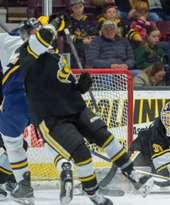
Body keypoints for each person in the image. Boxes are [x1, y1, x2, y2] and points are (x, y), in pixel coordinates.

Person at [18, 16, 143, 205]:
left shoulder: (52, 53)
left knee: (105, 137)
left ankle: (133, 174)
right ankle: (94, 194)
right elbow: (44, 35)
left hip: (75, 107)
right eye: (33, 32)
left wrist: (79, 86)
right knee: (82, 153)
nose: (37, 34)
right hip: (52, 117)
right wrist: (54, 23)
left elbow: (62, 82)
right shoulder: (27, 53)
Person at [0, 17, 75, 204]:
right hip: (44, 98)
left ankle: (23, 185)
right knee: (48, 139)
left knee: (13, 144)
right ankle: (64, 166)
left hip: (15, 98)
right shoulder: (52, 51)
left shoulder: (10, 42)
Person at [68, 0, 98, 67]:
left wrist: (91, 39)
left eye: (80, 7)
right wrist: (82, 41)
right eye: (76, 7)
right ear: (72, 8)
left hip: (89, 43)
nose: (79, 9)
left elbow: (95, 33)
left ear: (84, 7)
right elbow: (68, 36)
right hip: (75, 45)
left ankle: (89, 70)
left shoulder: (90, 19)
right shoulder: (68, 21)